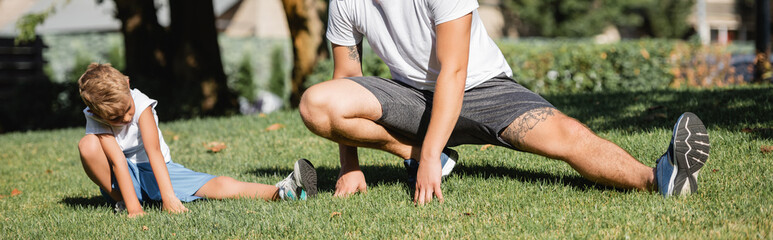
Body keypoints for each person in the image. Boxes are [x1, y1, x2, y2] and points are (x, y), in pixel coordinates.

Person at [299, 0, 710, 205]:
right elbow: (348, 79)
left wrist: (426, 161)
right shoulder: (345, 2)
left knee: (566, 135)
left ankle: (659, 177)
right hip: (411, 95)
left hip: (483, 88)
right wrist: (351, 168)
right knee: (317, 103)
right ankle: (426, 152)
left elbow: (455, 72)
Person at [77, 63, 317, 217]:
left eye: (127, 109)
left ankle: (283, 192)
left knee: (219, 185)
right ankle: (124, 202)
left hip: (156, 168)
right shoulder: (95, 115)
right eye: (116, 118)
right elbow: (117, 161)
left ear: (128, 85)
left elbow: (154, 153)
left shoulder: (141, 105)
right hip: (122, 180)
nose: (127, 117)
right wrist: (134, 209)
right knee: (87, 145)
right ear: (97, 113)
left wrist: (169, 198)